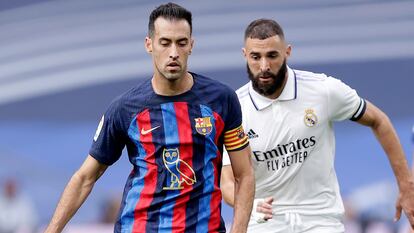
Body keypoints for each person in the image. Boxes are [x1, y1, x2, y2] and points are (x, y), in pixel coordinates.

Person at [45, 3, 254, 233]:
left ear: (191, 46)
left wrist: (239, 230)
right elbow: (85, 177)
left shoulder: (221, 100)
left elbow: (243, 175)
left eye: (181, 42)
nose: (173, 52)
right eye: (165, 42)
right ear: (149, 45)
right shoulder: (125, 108)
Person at [220, 18, 414, 232]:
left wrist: (406, 185)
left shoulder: (323, 90)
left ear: (287, 52)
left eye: (272, 55)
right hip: (265, 224)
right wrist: (252, 204)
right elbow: (227, 182)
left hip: (320, 222)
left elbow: (379, 120)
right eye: (256, 57)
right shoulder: (235, 109)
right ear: (245, 55)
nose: (264, 66)